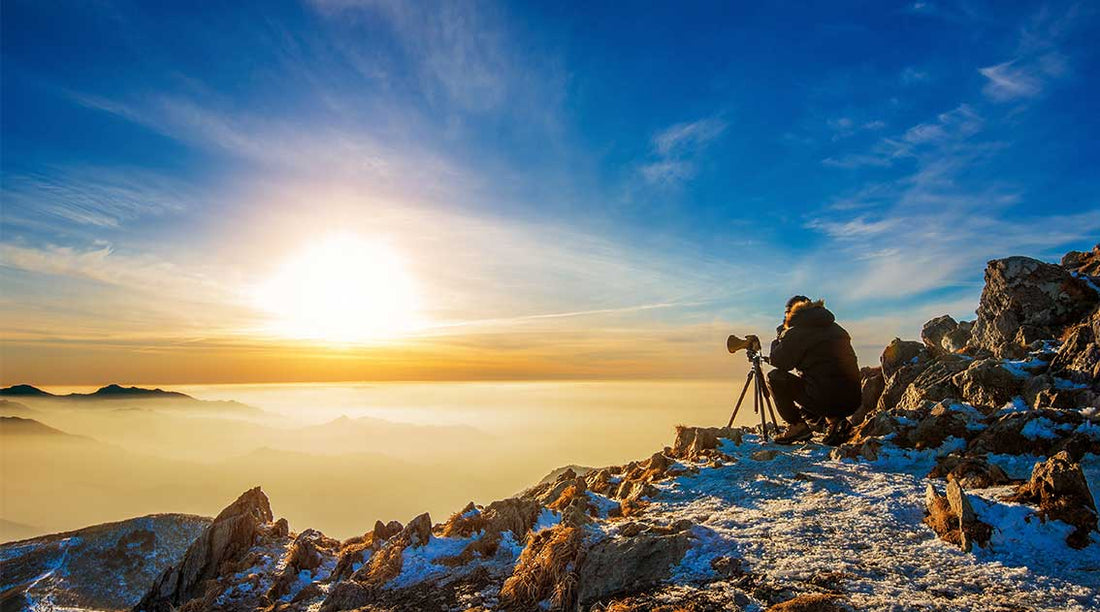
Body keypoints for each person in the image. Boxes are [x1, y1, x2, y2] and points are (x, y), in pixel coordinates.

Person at [767, 295, 861, 445]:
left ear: (790, 313)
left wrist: (780, 337)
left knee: (775, 377)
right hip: (853, 399)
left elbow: (779, 361)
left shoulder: (798, 331)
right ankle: (835, 423)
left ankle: (797, 427)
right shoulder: (836, 328)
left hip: (826, 399)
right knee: (820, 387)